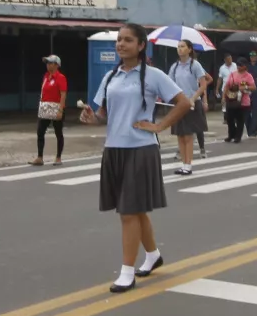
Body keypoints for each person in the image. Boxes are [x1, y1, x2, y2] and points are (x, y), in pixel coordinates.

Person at [79, 23, 191, 293]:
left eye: (128, 40)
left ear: (141, 46)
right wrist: (92, 118)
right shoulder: (110, 77)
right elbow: (104, 115)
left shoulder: (153, 75)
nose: (121, 44)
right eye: (119, 40)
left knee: (128, 212)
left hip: (141, 149)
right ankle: (152, 255)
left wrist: (159, 127)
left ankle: (126, 271)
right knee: (136, 209)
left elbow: (184, 102)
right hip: (114, 149)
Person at [168, 39, 210, 175]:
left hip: (191, 103)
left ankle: (188, 165)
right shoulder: (174, 66)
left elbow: (203, 85)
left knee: (188, 136)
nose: (180, 49)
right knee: (180, 135)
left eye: (183, 46)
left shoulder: (195, 65)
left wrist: (193, 98)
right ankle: (183, 165)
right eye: (178, 46)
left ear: (189, 49)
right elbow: (170, 84)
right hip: (178, 104)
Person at [31, 54, 68, 167]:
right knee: (40, 131)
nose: (48, 65)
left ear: (56, 65)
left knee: (58, 133)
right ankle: (40, 157)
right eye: (47, 63)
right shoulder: (46, 76)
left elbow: (63, 94)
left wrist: (60, 110)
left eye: (50, 62)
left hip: (56, 108)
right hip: (45, 108)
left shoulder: (60, 77)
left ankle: (58, 157)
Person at [222, 57, 255, 143]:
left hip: (243, 101)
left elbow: (253, 87)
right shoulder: (233, 74)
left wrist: (245, 87)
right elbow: (227, 86)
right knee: (229, 119)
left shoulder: (248, 76)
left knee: (240, 120)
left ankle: (238, 136)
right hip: (232, 100)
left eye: (241, 65)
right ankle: (231, 135)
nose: (238, 66)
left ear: (245, 66)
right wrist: (223, 97)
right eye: (237, 65)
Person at [217, 52, 236, 137]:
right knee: (224, 104)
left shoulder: (235, 66)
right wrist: (217, 88)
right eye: (228, 59)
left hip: (234, 88)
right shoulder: (222, 68)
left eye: (231, 59)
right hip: (224, 88)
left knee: (234, 103)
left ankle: (233, 118)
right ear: (225, 60)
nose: (230, 61)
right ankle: (226, 118)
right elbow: (220, 79)